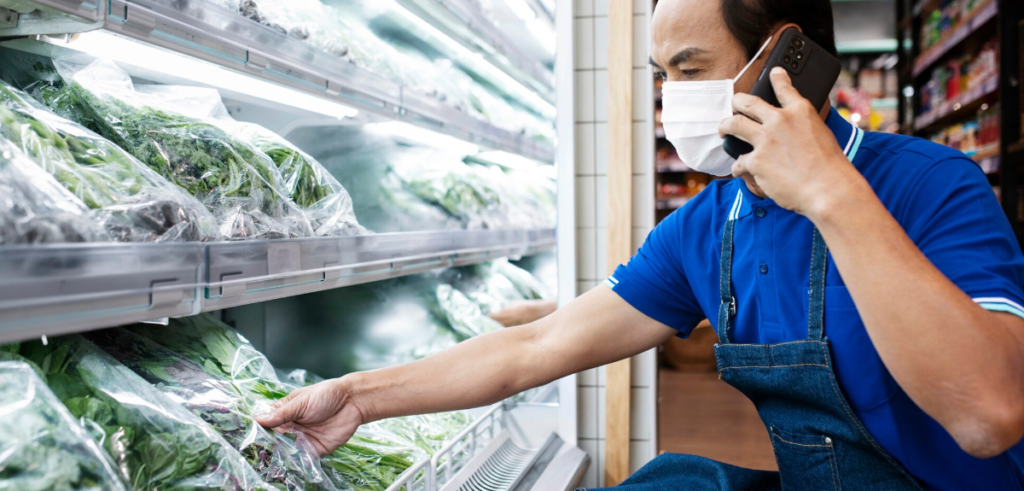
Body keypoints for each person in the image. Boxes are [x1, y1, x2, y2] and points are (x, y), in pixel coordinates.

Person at [258, 0, 1024, 488]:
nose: (671, 101)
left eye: (691, 70)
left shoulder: (932, 183)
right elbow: (538, 347)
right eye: (661, 76)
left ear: (789, 61)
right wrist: (358, 396)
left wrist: (827, 192)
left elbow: (988, 415)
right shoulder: (710, 223)